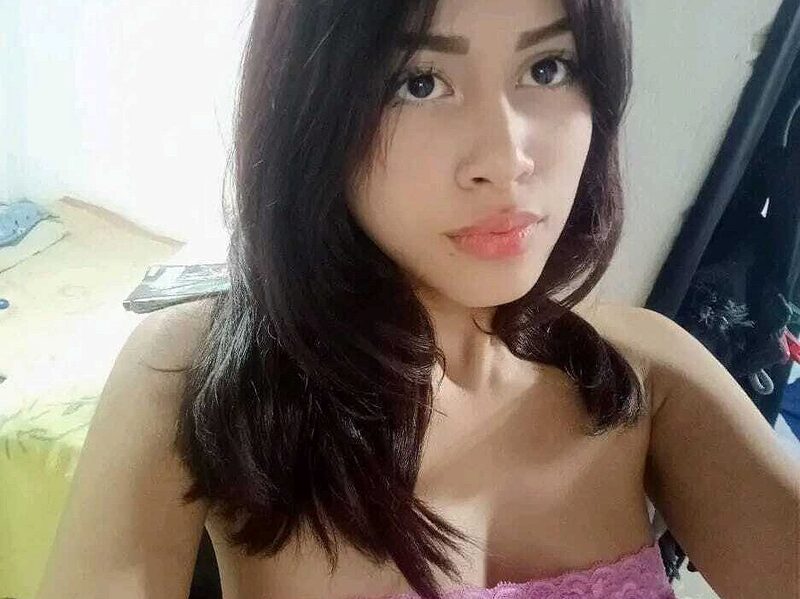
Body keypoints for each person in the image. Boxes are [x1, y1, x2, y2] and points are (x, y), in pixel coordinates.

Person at [36, 1, 800, 598]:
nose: (506, 159)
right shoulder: (192, 376)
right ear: (311, 109)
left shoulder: (643, 373)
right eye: (420, 82)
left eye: (547, 67)